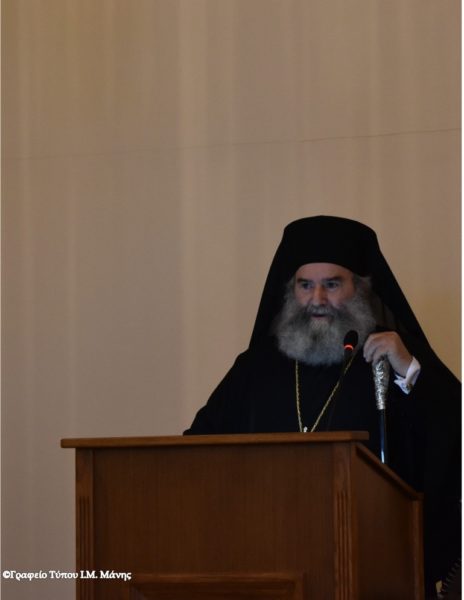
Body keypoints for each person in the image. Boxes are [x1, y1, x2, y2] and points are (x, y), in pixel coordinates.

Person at [184, 215, 461, 595]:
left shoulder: (389, 356)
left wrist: (410, 371)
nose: (317, 299)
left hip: (374, 565)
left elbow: (452, 433)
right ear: (290, 291)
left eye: (331, 284)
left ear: (359, 288)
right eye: (305, 285)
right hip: (269, 561)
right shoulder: (256, 366)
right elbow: (198, 446)